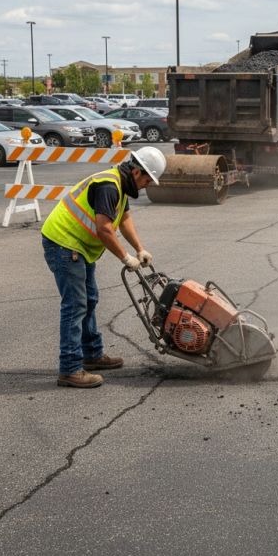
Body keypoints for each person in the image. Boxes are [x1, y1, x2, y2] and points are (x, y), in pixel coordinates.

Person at [41, 147, 167, 388]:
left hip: (79, 247)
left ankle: (91, 355)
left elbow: (124, 219)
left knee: (89, 299)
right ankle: (69, 369)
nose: (147, 186)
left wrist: (139, 249)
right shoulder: (109, 186)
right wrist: (125, 257)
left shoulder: (121, 186)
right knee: (75, 305)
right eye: (148, 180)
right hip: (64, 243)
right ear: (137, 172)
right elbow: (104, 229)